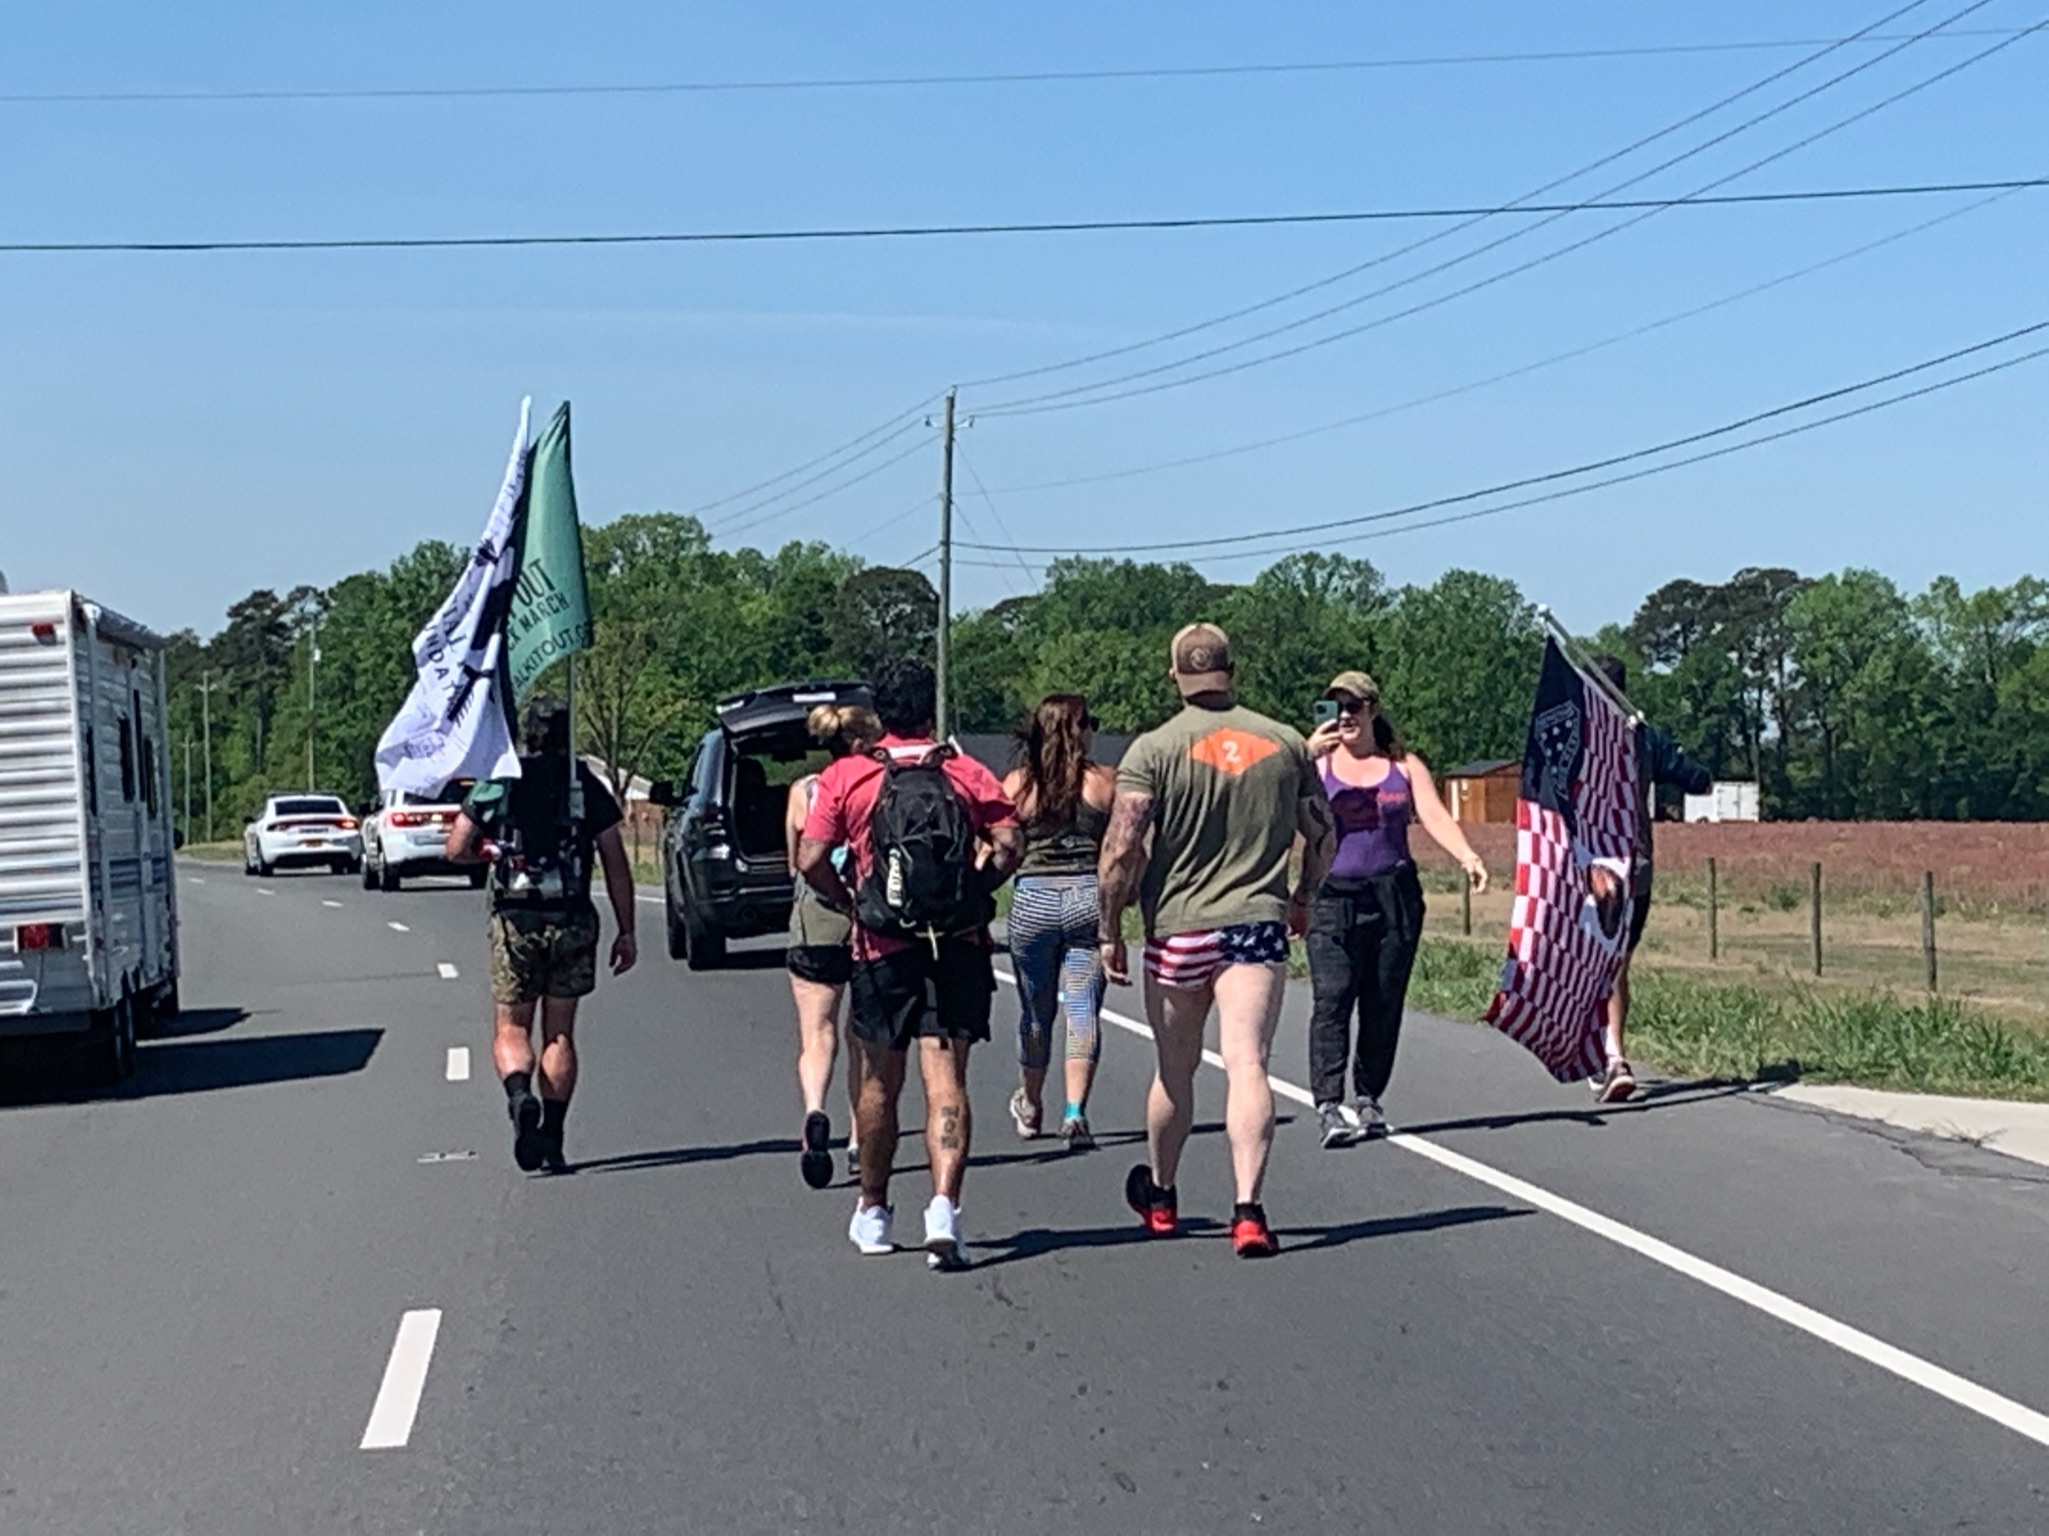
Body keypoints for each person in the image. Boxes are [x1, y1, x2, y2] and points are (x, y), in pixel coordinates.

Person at [1099, 623, 1333, 1259]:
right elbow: (1323, 832)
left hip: (1178, 927)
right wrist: (1305, 897)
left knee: (1175, 1070)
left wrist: (1109, 927)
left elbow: (1121, 849)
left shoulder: (1153, 749)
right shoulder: (1284, 743)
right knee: (1248, 1063)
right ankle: (1248, 1212)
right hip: (1256, 923)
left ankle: (1162, 1196)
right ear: (1232, 670)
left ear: (1174, 675)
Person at [796, 658, 1022, 1271]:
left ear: (881, 712)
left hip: (881, 947)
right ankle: (943, 1208)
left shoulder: (850, 776)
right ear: (930, 708)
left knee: (878, 1084)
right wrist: (975, 893)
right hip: (956, 944)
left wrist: (852, 901)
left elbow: (811, 857)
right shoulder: (965, 772)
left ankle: (873, 1210)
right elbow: (1010, 843)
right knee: (947, 1082)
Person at [445, 696, 637, 1173]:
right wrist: (626, 930)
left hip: (516, 920)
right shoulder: (584, 784)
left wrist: (487, 852)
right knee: (560, 1033)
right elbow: (615, 862)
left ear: (527, 733)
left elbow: (456, 847)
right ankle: (552, 1135)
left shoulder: (500, 780)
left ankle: (519, 1096)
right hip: (571, 917)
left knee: (512, 1028)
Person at [1302, 671, 1488, 1147]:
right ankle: (1328, 1104)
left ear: (1373, 709)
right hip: (1334, 898)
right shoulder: (1316, 766)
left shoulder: (1402, 767)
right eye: (1336, 706)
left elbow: (1434, 814)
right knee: (1333, 999)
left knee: (1383, 1001)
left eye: (1354, 706)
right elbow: (1279, 811)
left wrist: (1466, 855)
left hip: (1393, 896)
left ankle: (1368, 1097)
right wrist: (1304, 755)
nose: (1345, 716)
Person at [1589, 654, 1712, 1103]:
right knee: (1617, 962)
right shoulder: (1643, 737)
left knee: (1595, 960)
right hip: (1635, 865)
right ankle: (1610, 1053)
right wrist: (1698, 772)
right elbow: (1695, 779)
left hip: (1591, 866)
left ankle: (1608, 1055)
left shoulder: (1579, 734)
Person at [1002, 694, 1118, 1151]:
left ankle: (1031, 1103)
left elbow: (1003, 848)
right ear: (1080, 730)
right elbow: (1121, 849)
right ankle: (1074, 1112)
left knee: (1036, 1011)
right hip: (1087, 895)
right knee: (1082, 1008)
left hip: (1034, 899)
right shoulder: (1104, 782)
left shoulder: (1018, 785)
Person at [785, 701, 882, 1189]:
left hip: (815, 920)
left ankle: (814, 1110)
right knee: (861, 1037)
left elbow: (796, 864)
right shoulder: (877, 785)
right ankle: (858, 1139)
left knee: (816, 1033)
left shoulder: (803, 791)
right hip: (867, 918)